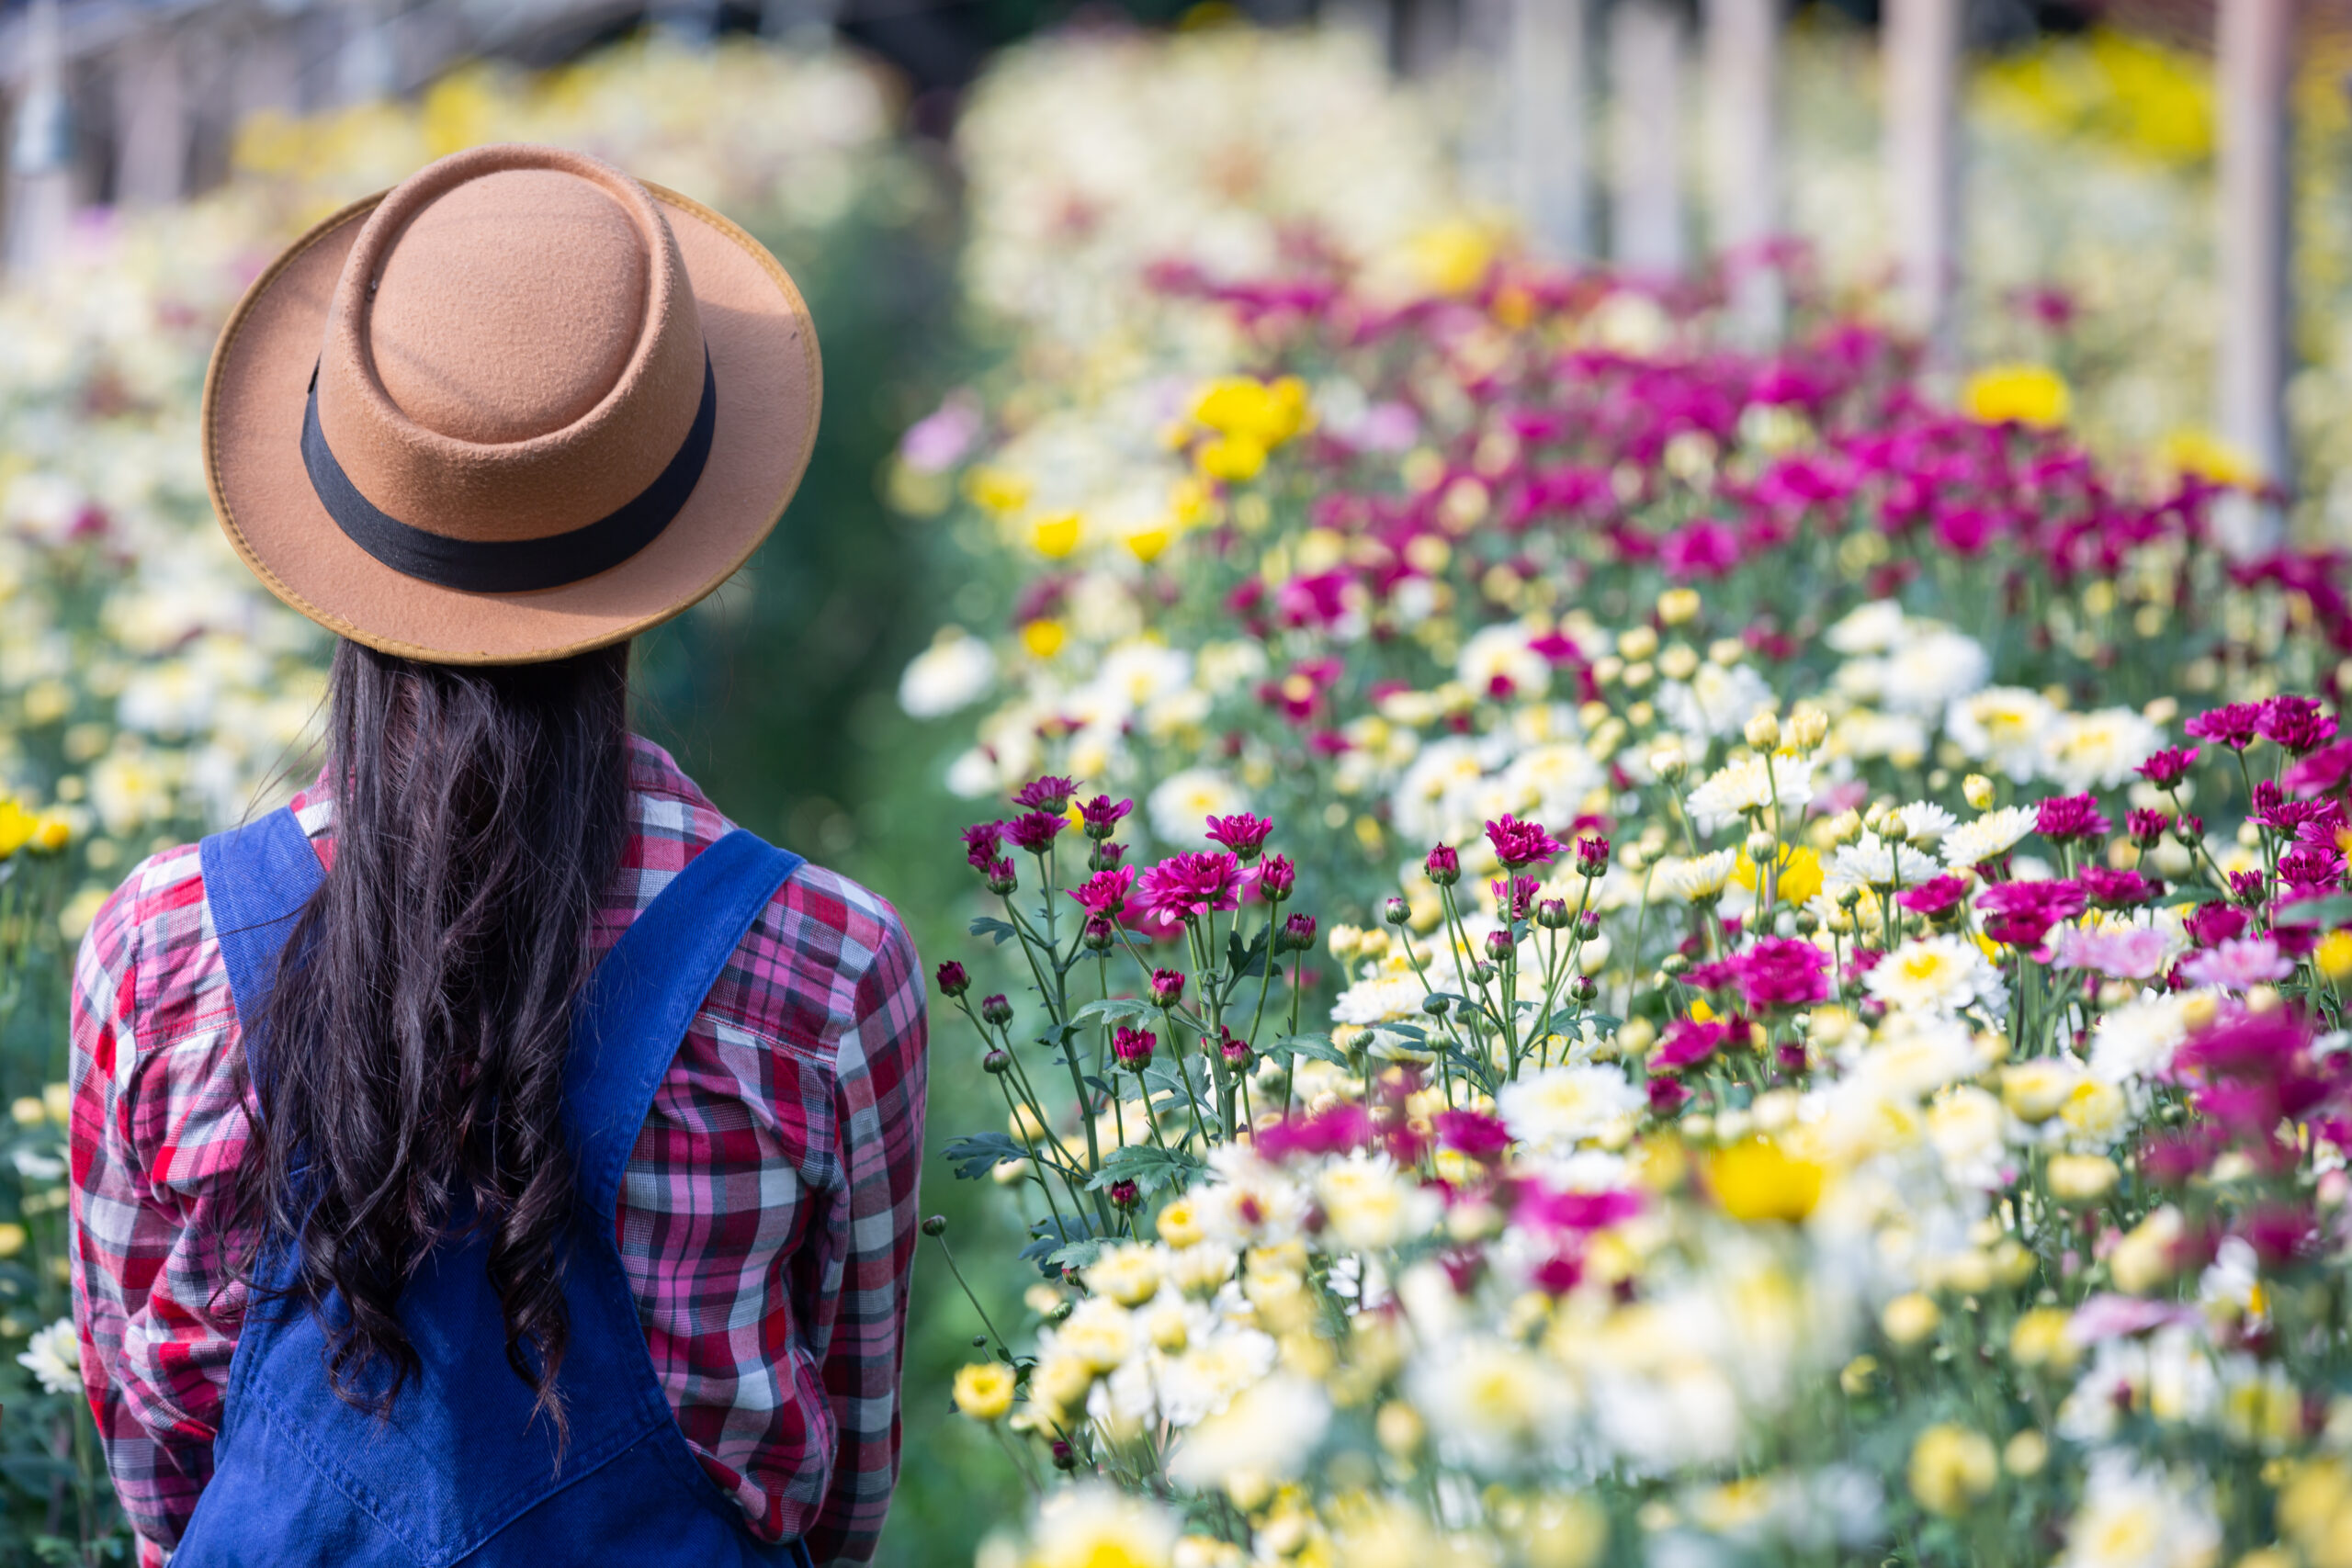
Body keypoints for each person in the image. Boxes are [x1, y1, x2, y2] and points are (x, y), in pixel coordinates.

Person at [65, 145, 928, 1567]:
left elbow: (161, 1475)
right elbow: (842, 1489)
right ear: (671, 542)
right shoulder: (827, 964)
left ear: (338, 518)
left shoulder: (154, 948)